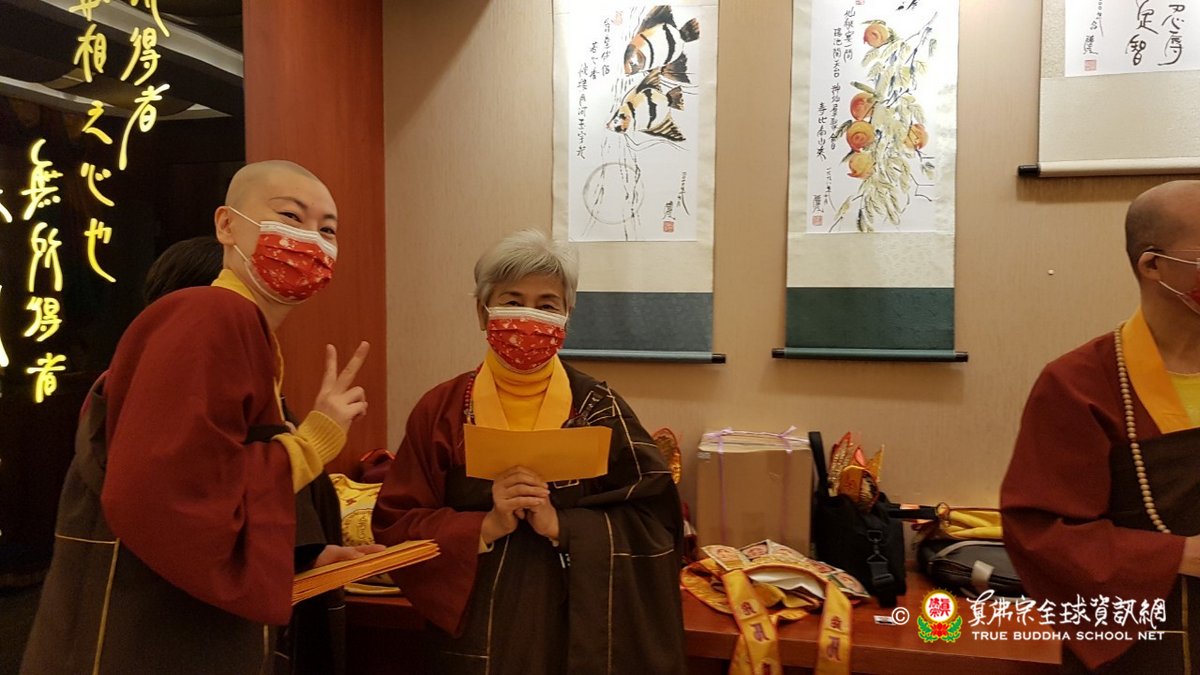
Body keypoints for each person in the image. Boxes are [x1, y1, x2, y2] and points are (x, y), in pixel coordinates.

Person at [22, 160, 371, 675]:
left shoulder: (243, 328)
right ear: (226, 225)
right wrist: (312, 442)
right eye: (291, 217)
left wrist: (299, 555)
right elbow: (175, 491)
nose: (310, 241)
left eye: (327, 230)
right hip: (154, 628)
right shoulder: (211, 312)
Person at [372, 229, 686, 674]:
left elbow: (656, 522)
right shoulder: (442, 410)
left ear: (567, 315)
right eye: (513, 301)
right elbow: (396, 524)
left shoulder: (599, 407)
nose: (528, 317)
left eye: (547, 305)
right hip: (476, 632)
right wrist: (483, 526)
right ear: (482, 311)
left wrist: (564, 526)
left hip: (578, 631)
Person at [142, 234, 379, 674]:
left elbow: (268, 491)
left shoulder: (246, 383)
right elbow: (200, 498)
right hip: (188, 624)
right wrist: (312, 440)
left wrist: (308, 554)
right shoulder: (153, 393)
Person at [1001, 180, 1200, 673]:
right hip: (1150, 639)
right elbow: (1041, 530)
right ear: (1153, 265)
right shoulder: (1080, 383)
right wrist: (1179, 554)